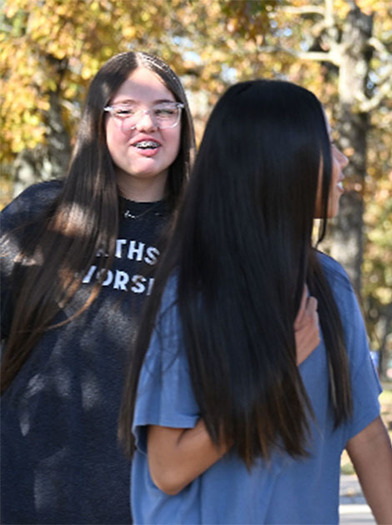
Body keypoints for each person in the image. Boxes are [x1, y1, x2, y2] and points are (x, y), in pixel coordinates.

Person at [118, 79, 392, 524]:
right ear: (278, 162)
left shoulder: (330, 285)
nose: (343, 159)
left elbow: (365, 430)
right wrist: (274, 371)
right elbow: (168, 468)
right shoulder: (190, 296)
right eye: (327, 144)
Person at [0, 51, 194, 523]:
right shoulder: (40, 214)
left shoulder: (206, 233)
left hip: (156, 501)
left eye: (164, 110)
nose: (146, 123)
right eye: (125, 110)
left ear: (183, 123)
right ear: (97, 122)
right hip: (28, 496)